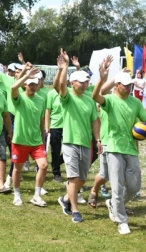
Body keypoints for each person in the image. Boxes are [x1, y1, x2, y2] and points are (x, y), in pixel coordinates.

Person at [92, 58, 146, 234]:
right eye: (125, 85)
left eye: (130, 85)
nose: (128, 88)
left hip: (131, 148)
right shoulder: (110, 100)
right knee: (117, 186)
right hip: (113, 147)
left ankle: (113, 203)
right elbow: (95, 96)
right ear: (117, 85)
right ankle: (121, 220)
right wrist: (101, 79)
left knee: (135, 186)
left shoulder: (135, 102)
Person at [56, 50, 101, 223]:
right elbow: (61, 87)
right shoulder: (67, 98)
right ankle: (75, 210)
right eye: (80, 82)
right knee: (73, 178)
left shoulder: (89, 100)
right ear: (72, 83)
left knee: (82, 179)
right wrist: (64, 68)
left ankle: (66, 198)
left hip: (85, 143)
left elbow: (95, 122)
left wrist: (97, 139)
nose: (83, 85)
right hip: (69, 142)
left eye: (85, 82)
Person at [10, 66, 48, 207]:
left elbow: (41, 120)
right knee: (17, 169)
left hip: (36, 141)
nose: (33, 86)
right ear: (25, 85)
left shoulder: (40, 100)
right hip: (20, 141)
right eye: (30, 84)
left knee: (43, 165)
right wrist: (26, 76)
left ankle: (37, 195)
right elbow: (13, 88)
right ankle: (17, 194)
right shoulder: (19, 98)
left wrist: (43, 141)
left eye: (35, 84)